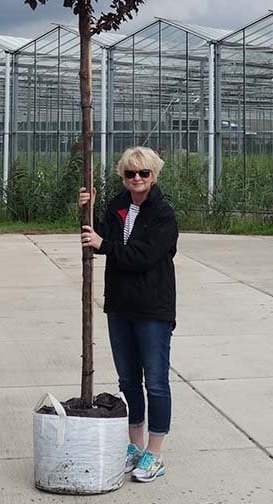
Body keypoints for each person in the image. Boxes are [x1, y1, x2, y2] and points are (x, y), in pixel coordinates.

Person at [79, 146, 178, 484]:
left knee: (156, 382)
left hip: (152, 309)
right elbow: (93, 235)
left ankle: (155, 452)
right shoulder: (116, 207)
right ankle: (134, 446)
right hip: (120, 306)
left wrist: (103, 244)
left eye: (143, 173)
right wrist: (87, 209)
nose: (137, 179)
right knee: (128, 382)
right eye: (130, 174)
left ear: (154, 175)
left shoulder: (163, 215)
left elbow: (141, 256)